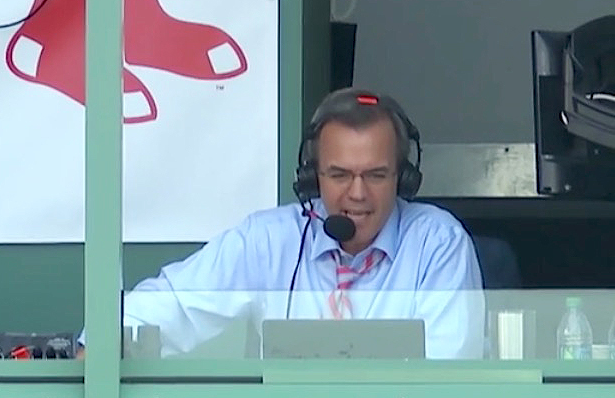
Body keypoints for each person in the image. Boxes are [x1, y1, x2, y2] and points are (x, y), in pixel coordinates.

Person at [78, 88, 484, 359]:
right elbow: (175, 302)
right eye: (339, 175)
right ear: (312, 177)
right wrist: (101, 347)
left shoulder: (437, 242)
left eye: (376, 175)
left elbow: (448, 368)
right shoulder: (269, 240)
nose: (358, 194)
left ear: (403, 177)